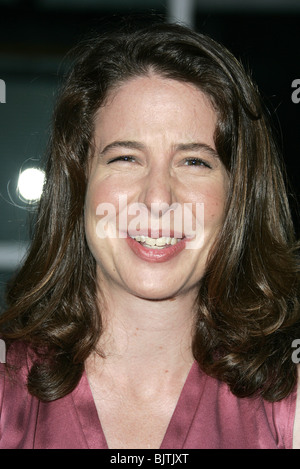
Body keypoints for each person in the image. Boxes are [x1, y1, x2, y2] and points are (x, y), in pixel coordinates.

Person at [0, 19, 299, 449]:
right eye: (125, 158)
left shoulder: (289, 403)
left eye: (194, 162)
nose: (158, 199)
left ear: (239, 196)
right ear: (80, 182)